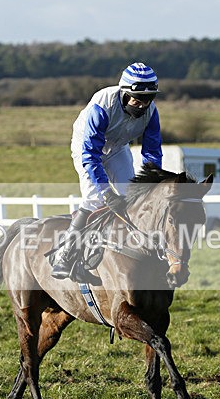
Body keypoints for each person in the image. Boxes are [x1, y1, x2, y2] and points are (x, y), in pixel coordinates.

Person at [51, 62, 163, 280]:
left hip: (118, 148)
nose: (142, 106)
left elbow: (152, 153)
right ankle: (65, 255)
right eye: (137, 99)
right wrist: (106, 192)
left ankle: (130, 250)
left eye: (148, 99)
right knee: (95, 199)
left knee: (130, 197)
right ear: (124, 93)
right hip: (87, 148)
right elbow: (91, 156)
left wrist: (149, 184)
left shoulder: (151, 112)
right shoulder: (102, 105)